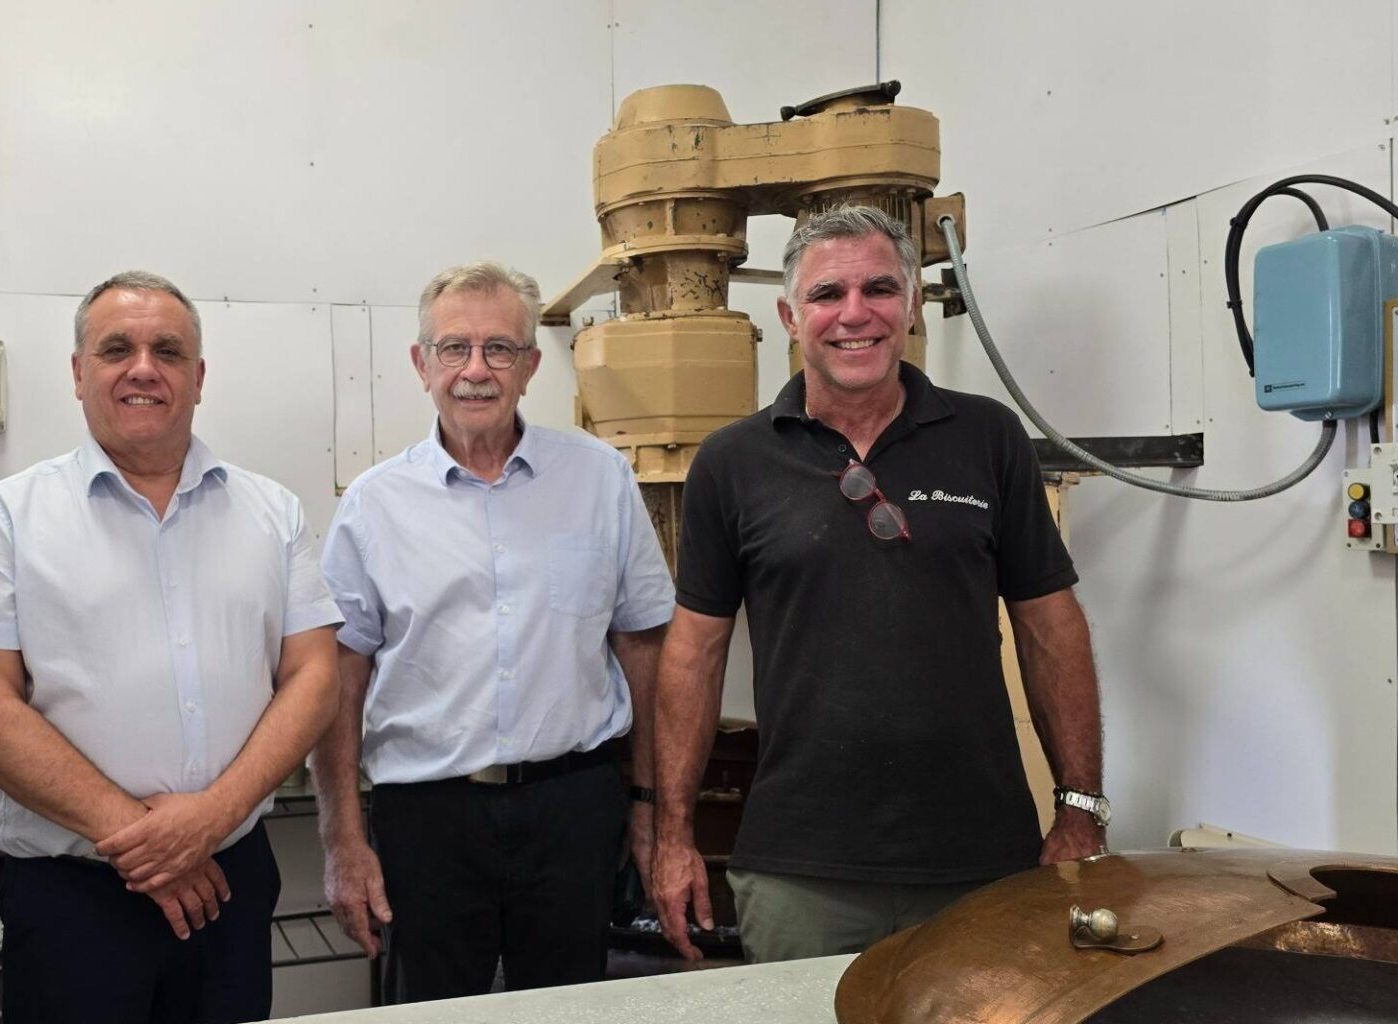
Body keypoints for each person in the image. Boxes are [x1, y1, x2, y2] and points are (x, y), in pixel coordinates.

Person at [650, 204, 1108, 964]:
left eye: (880, 289)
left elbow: (1050, 627)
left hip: (980, 862)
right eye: (828, 295)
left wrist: (1081, 807)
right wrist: (672, 838)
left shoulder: (987, 438)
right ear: (790, 316)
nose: (854, 314)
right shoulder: (733, 463)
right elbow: (692, 655)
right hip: (801, 871)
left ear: (913, 304)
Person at [0, 271, 340, 1023]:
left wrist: (210, 820)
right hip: (72, 897)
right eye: (117, 348)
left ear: (199, 377)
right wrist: (147, 843)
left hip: (230, 880)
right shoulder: (4, 519)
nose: (143, 367)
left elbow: (314, 675)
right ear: (79, 372)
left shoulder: (271, 511)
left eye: (168, 350)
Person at [314, 261, 674, 1002]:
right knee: (436, 1015)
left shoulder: (600, 478)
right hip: (427, 819)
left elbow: (643, 649)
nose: (476, 370)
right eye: (454, 349)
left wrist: (650, 809)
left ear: (531, 365)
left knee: (572, 1009)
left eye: (499, 349)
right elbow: (338, 681)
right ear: (422, 364)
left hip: (571, 808)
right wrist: (344, 839)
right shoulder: (374, 507)